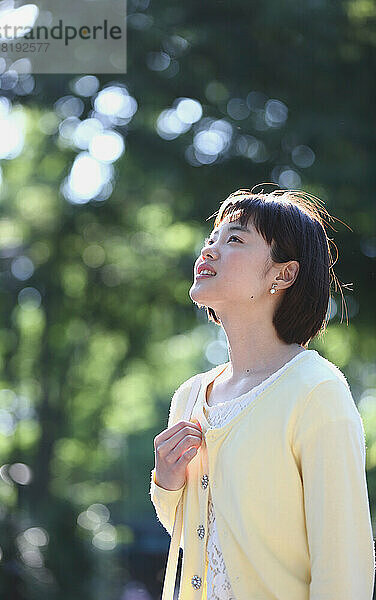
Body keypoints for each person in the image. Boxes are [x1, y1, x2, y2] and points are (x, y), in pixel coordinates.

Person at [150, 187, 375, 600]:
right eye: (211, 240)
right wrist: (167, 481)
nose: (209, 251)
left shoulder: (316, 391)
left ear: (283, 274)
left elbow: (343, 567)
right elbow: (195, 537)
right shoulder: (190, 396)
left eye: (234, 239)